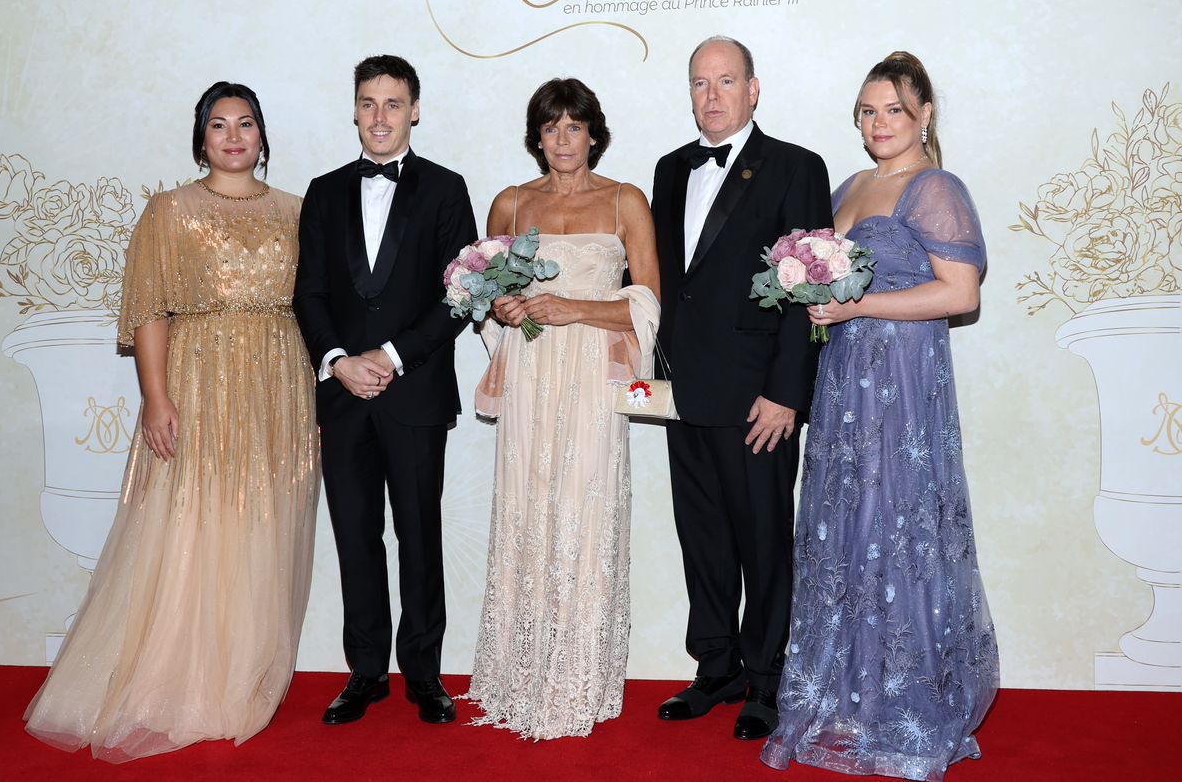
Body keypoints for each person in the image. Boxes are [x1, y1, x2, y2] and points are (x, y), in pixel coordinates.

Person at [23, 82, 319, 761]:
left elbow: (315, 307)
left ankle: (241, 678)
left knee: (261, 529)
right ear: (201, 138)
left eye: (246, 123)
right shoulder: (169, 211)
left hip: (279, 385)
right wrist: (157, 398)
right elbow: (150, 309)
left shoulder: (298, 211)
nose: (234, 135)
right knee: (194, 525)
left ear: (263, 135)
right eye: (219, 125)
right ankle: (184, 684)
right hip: (200, 380)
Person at [761, 51, 1000, 781]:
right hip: (842, 383)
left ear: (925, 113)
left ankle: (905, 698)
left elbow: (960, 294)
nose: (879, 123)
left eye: (893, 108)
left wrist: (861, 304)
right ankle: (845, 693)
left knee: (898, 524)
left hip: (901, 382)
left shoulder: (936, 187)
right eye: (867, 110)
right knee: (843, 525)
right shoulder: (849, 185)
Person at [463, 78, 660, 740]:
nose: (563, 140)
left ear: (593, 133)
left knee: (585, 513)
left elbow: (650, 301)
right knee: (526, 507)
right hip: (531, 370)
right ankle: (517, 675)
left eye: (574, 127)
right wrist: (504, 306)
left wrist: (576, 307)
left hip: (590, 380)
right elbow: (482, 291)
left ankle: (577, 681)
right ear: (537, 136)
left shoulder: (626, 199)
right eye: (551, 128)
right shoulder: (510, 203)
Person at [651, 36, 832, 741]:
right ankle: (716, 664)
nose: (712, 95)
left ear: (753, 89)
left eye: (726, 81)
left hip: (759, 398)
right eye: (700, 83)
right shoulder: (670, 170)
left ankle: (766, 677)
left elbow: (810, 286)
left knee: (762, 538)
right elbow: (670, 285)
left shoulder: (796, 167)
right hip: (685, 393)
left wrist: (789, 392)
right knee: (701, 537)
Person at [293, 55, 476, 726]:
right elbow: (308, 292)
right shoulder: (322, 190)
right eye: (368, 102)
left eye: (393, 103)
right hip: (342, 397)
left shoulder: (447, 189)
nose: (379, 116)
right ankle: (366, 671)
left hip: (415, 393)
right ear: (354, 109)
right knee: (355, 535)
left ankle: (424, 674)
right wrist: (339, 359)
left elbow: (460, 296)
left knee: (420, 535)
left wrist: (392, 356)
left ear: (415, 110)